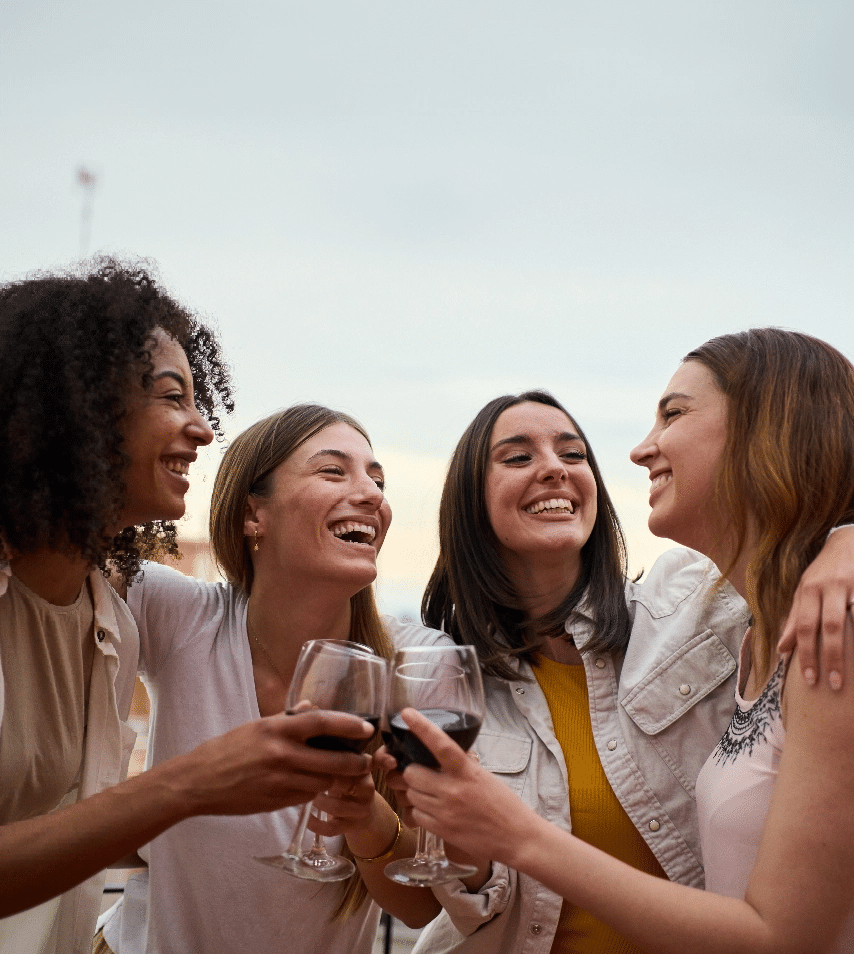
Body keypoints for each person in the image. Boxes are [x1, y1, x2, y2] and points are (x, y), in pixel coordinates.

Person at [398, 329, 854, 954]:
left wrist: (847, 535)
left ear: (768, 432)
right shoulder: (447, 671)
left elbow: (784, 935)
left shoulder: (796, 626)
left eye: (674, 414)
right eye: (516, 457)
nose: (639, 450)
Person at [0, 261, 376, 954]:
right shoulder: (156, 612)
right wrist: (188, 785)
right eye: (174, 398)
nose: (203, 430)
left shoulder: (106, 612)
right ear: (78, 405)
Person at [99, 404, 444, 954]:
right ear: (252, 514)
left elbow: (421, 905)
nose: (372, 495)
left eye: (377, 481)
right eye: (333, 471)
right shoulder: (183, 616)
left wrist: (365, 816)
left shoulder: (418, 663)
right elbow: (59, 539)